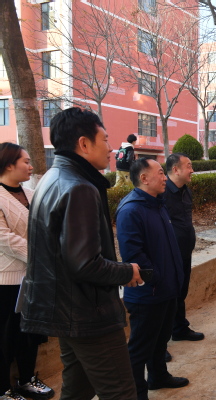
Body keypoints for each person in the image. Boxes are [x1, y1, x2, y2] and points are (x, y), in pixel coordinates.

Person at [19, 107, 142, 400]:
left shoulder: (51, 177)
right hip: (88, 314)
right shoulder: (79, 188)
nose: (111, 148)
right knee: (121, 392)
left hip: (64, 309)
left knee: (77, 390)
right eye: (105, 139)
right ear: (84, 144)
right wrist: (127, 271)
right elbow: (85, 264)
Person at [116, 158, 188, 400]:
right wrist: (156, 279)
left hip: (166, 289)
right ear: (144, 178)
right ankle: (137, 393)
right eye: (160, 173)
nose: (165, 177)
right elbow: (133, 254)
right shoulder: (131, 210)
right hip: (148, 294)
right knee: (140, 348)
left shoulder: (157, 204)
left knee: (160, 341)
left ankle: (158, 376)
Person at [0, 143, 54, 400]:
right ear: (9, 164)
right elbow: (4, 238)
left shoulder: (32, 194)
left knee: (30, 332)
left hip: (33, 278)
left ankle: (27, 379)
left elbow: (47, 228)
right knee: (5, 337)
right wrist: (40, 255)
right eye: (26, 161)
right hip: (6, 280)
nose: (31, 166)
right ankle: (4, 389)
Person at [163, 154, 204, 361]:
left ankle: (179, 329)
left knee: (181, 291)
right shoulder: (162, 193)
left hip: (184, 251)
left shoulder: (186, 191)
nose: (192, 170)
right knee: (167, 297)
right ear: (175, 169)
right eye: (188, 166)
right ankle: (159, 344)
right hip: (167, 255)